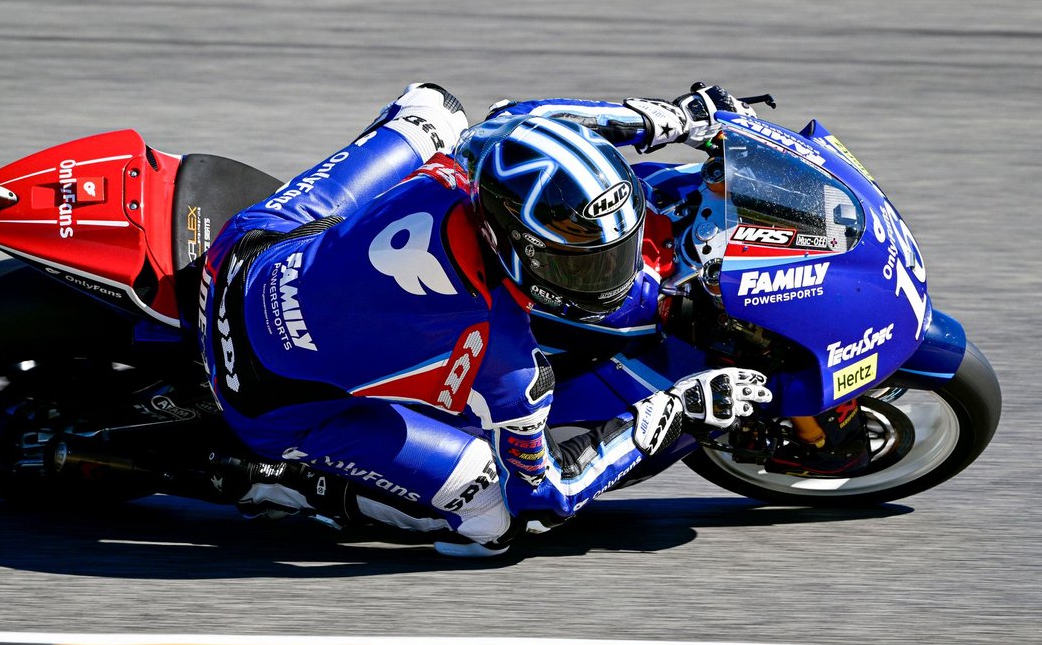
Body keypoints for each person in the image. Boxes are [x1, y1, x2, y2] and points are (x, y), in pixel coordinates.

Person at [195, 82, 772, 557]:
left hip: (248, 250)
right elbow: (547, 497)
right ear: (511, 243)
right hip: (263, 398)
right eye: (578, 264)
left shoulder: (469, 162)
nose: (607, 277)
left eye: (615, 254)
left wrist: (668, 120)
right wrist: (670, 413)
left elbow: (528, 116)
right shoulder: (509, 364)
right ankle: (285, 484)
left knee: (435, 108)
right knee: (494, 517)